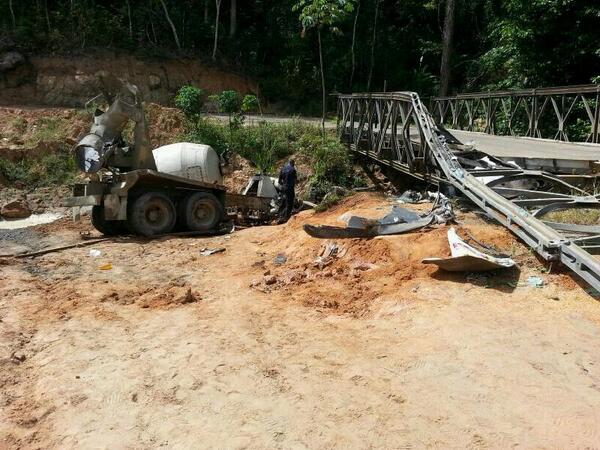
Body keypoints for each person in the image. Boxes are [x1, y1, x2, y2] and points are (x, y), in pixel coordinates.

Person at [277, 159, 297, 224]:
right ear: (292, 163)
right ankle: (286, 218)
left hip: (283, 188)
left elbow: (279, 181)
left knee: (283, 202)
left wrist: (283, 186)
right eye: (294, 164)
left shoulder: (282, 169)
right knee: (289, 203)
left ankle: (279, 217)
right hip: (290, 188)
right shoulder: (293, 170)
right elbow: (295, 180)